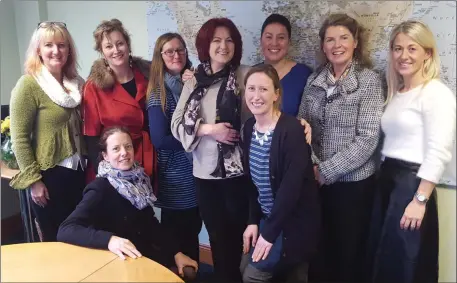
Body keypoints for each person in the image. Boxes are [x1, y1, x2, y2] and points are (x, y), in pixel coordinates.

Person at [297, 13, 384, 282]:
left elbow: (368, 138)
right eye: (330, 39)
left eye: (344, 38)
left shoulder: (369, 81)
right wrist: (313, 167)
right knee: (319, 253)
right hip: (316, 184)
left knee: (348, 257)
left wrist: (325, 171)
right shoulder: (314, 80)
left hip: (353, 186)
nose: (337, 45)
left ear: (355, 42)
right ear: (323, 46)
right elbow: (302, 128)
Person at [368, 20, 456, 283]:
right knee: (383, 261)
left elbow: (439, 151)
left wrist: (420, 201)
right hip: (387, 182)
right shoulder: (398, 92)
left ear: (427, 53)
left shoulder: (436, 93)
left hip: (412, 186)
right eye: (397, 48)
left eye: (412, 48)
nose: (403, 55)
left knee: (406, 264)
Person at [57, 126, 198, 280]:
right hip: (114, 264)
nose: (124, 152)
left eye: (128, 146)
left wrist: (176, 253)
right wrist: (109, 240)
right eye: (116, 149)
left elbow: (150, 223)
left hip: (141, 258)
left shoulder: (139, 179)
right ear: (105, 155)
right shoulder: (100, 188)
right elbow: (66, 229)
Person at [171, 17, 251, 282]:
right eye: (216, 40)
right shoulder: (194, 80)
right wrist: (209, 129)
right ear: (206, 44)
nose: (223, 46)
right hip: (204, 174)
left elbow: (264, 116)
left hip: (238, 175)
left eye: (229, 40)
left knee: (239, 237)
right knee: (216, 237)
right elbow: (177, 124)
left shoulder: (245, 75)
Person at [240, 64, 320, 283]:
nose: (256, 96)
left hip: (291, 223)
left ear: (276, 94)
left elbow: (290, 190)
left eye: (264, 90)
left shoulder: (292, 130)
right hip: (268, 217)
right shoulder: (248, 128)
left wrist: (268, 235)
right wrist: (252, 221)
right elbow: (252, 184)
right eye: (251, 89)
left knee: (253, 275)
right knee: (244, 265)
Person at [9, 21, 86, 242]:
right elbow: (19, 139)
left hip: (79, 173)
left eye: (62, 45)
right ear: (38, 50)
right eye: (49, 45)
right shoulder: (28, 85)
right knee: (57, 240)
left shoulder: (77, 83)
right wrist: (34, 181)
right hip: (49, 178)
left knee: (80, 237)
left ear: (69, 49)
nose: (56, 51)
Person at [146, 33, 202, 264]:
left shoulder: (192, 83)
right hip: (175, 178)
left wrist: (197, 83)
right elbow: (160, 139)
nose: (176, 55)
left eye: (180, 50)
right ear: (160, 56)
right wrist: (199, 136)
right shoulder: (158, 92)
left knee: (192, 233)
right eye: (169, 51)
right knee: (176, 241)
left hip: (196, 172)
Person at [83, 19, 154, 180]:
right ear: (102, 52)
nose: (116, 50)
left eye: (120, 43)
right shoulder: (93, 87)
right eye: (108, 46)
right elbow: (91, 139)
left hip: (149, 156)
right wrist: (107, 174)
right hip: (114, 167)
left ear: (128, 45)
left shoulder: (148, 75)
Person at [259, 14, 312, 116]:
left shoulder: (303, 75)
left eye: (281, 37)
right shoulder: (251, 74)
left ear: (289, 42)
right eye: (269, 37)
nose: (274, 43)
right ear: (261, 40)